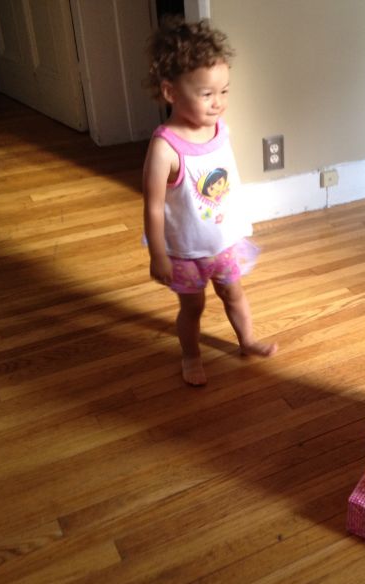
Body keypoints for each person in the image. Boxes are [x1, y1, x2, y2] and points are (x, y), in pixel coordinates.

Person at [143, 16, 276, 386]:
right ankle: (190, 355)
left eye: (224, 91)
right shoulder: (165, 148)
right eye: (207, 94)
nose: (219, 103)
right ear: (171, 93)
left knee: (234, 294)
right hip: (186, 252)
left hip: (224, 243)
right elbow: (152, 206)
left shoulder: (220, 129)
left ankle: (247, 340)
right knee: (193, 306)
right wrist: (158, 254)